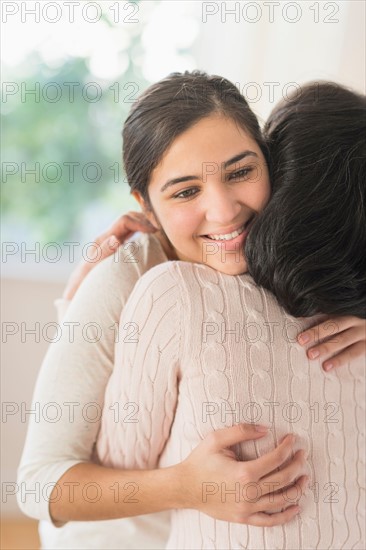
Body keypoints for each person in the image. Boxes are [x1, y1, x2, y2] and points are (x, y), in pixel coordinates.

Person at [17, 73, 365, 549]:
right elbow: (39, 484)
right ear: (146, 207)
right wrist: (187, 486)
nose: (224, 212)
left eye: (240, 172)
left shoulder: (278, 254)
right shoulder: (128, 278)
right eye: (185, 192)